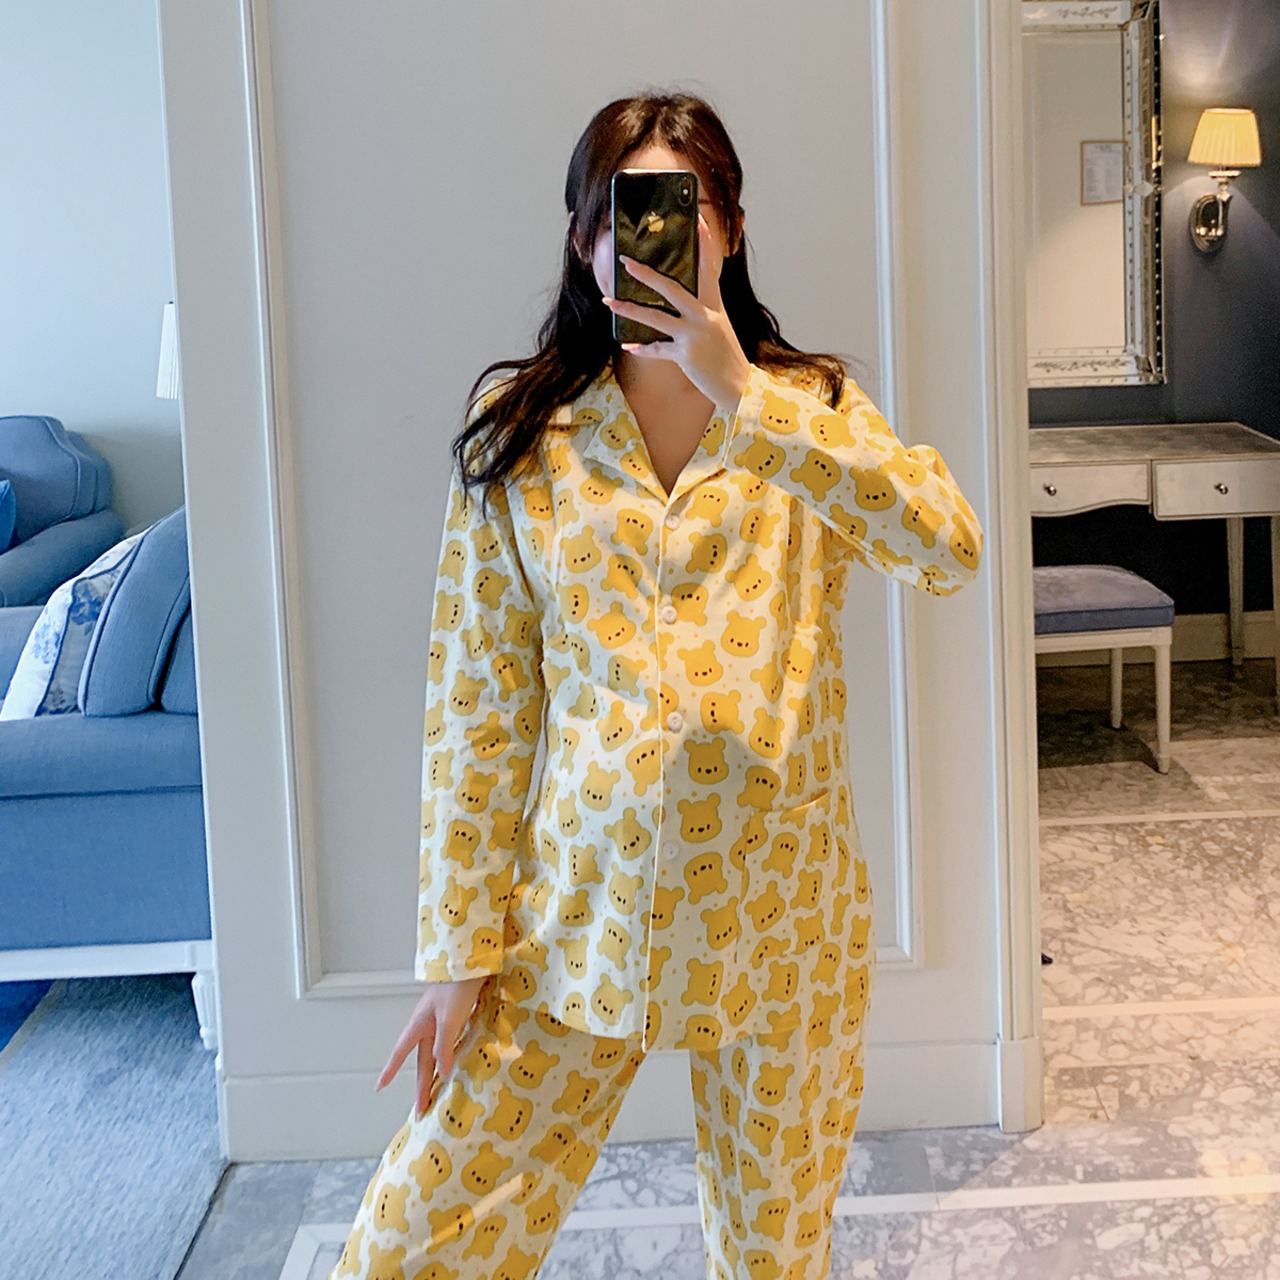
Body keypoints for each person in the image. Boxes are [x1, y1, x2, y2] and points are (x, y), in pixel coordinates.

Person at [330, 89, 982, 1280]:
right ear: (582, 239)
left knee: (773, 1254)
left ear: (726, 227)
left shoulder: (811, 411)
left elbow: (946, 548)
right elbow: (478, 705)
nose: (642, 241)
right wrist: (456, 953)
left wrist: (745, 394)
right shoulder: (523, 431)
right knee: (415, 1241)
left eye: (675, 210)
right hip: (579, 915)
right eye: (617, 214)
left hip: (779, 919)